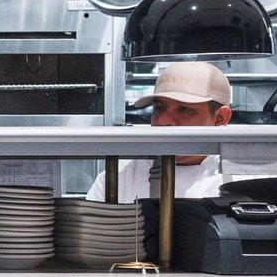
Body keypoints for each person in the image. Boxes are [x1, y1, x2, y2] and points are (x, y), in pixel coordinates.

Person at [89, 60, 232, 201]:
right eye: (159, 108)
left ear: (220, 118)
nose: (164, 121)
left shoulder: (244, 180)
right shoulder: (118, 178)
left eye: (184, 109)